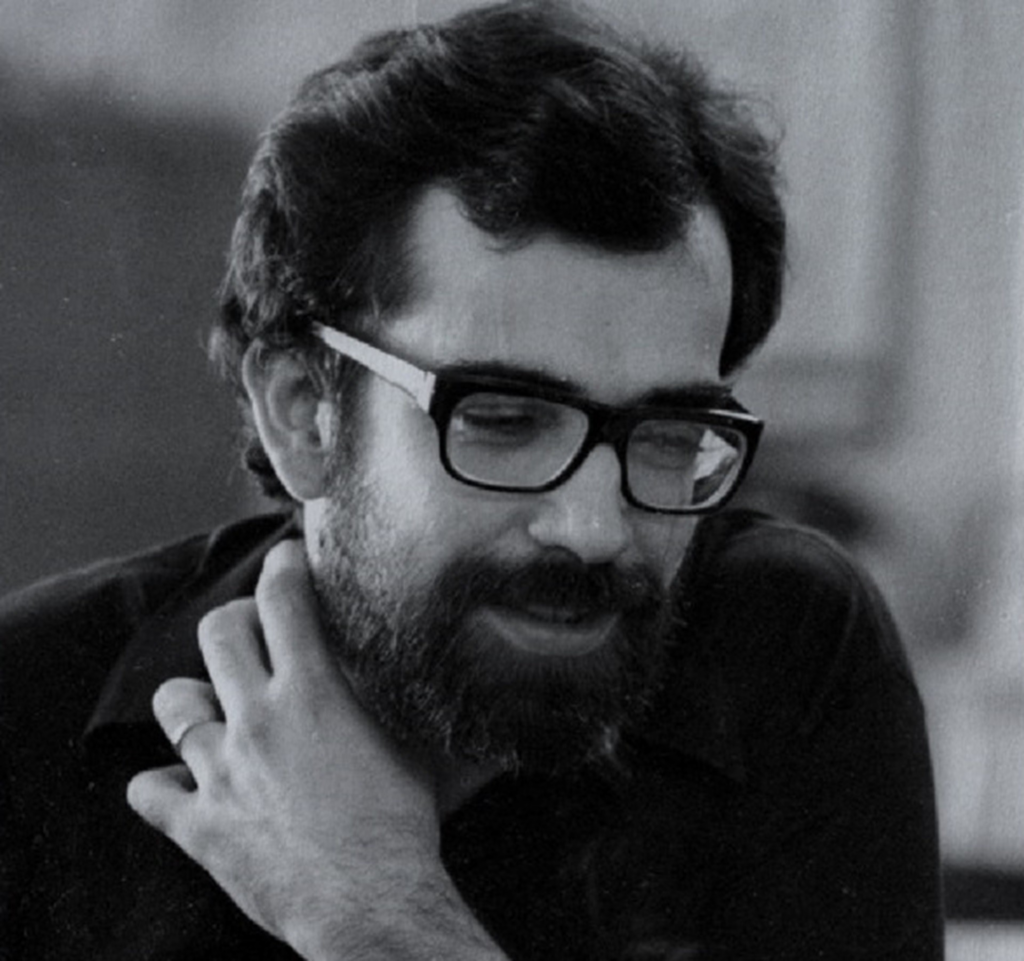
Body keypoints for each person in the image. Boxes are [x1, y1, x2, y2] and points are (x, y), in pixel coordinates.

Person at [0, 2, 943, 958]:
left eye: (667, 433)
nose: (594, 527)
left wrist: (381, 913)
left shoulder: (785, 652)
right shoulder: (27, 707)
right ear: (304, 412)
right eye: (504, 421)